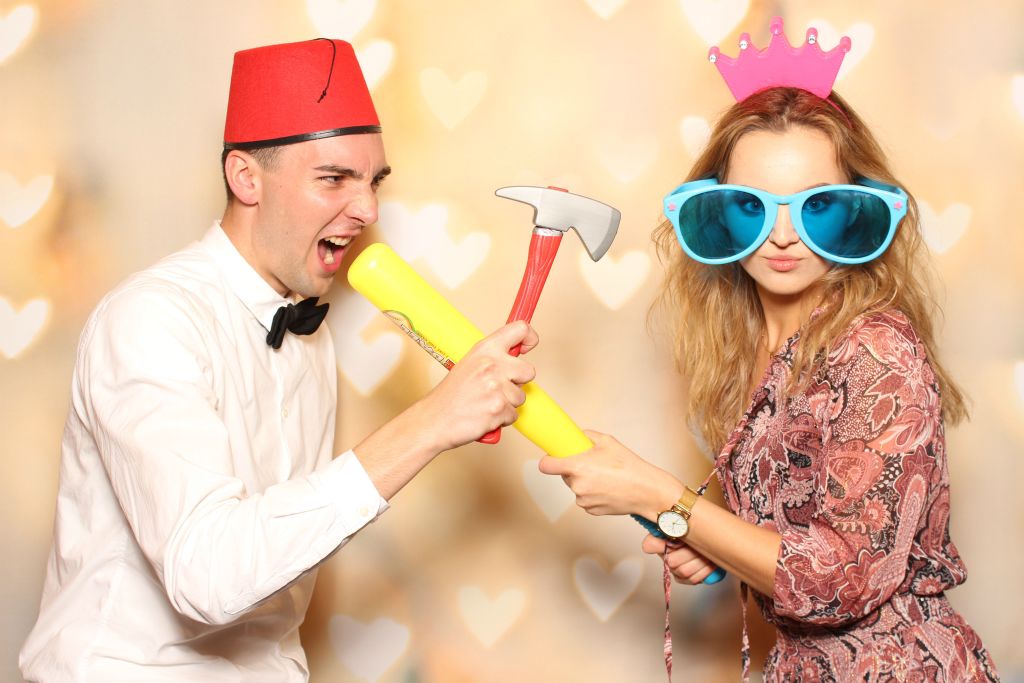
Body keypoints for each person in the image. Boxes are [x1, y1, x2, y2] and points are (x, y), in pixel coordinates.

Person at [20, 39, 538, 682]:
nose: (369, 209)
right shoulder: (151, 319)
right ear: (246, 178)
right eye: (334, 178)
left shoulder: (311, 336)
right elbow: (208, 575)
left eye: (373, 181)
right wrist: (430, 422)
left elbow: (276, 579)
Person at [539, 18, 1000, 682]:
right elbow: (800, 539)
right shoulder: (744, 347)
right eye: (753, 207)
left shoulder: (875, 349)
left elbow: (840, 581)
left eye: (819, 206)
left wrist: (667, 498)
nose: (783, 235)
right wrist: (715, 544)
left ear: (858, 210)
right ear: (718, 213)